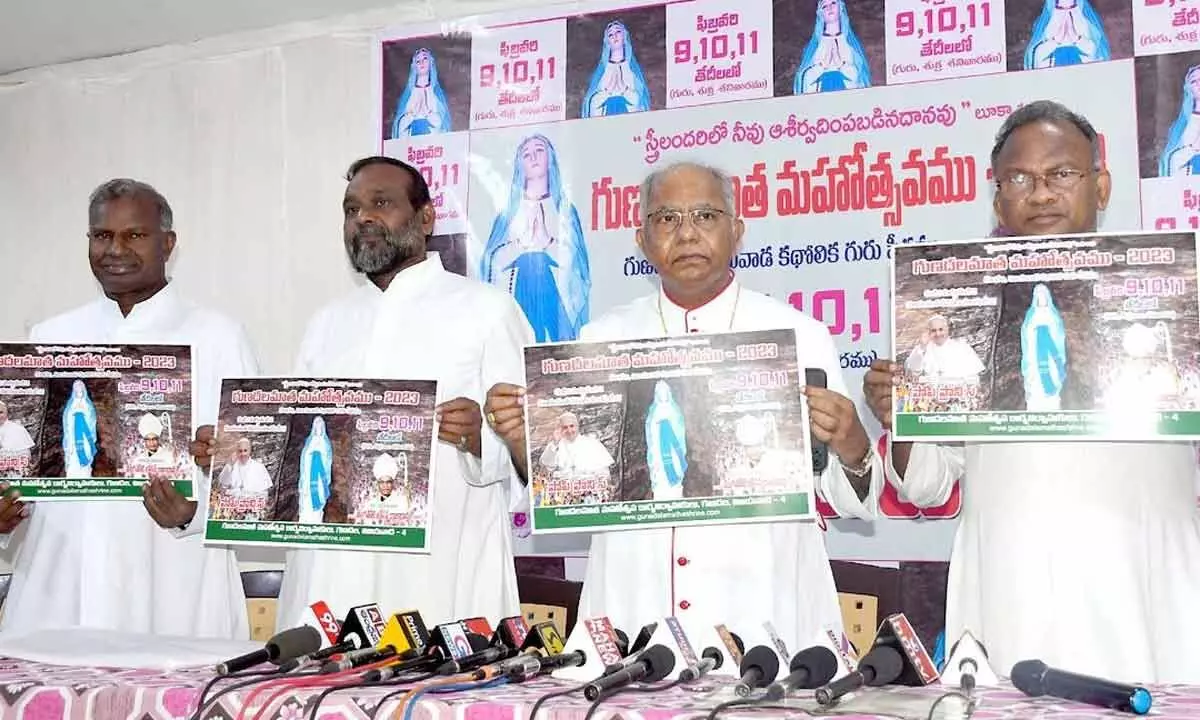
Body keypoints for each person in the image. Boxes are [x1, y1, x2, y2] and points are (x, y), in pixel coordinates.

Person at [863, 100, 1200, 683]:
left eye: (1062, 174)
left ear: (1101, 184)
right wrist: (902, 421)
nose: (1041, 193)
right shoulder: (960, 304)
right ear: (997, 198)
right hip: (1011, 585)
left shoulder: (1168, 291)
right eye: (1019, 178)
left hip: (1142, 584)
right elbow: (929, 482)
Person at [486, 161, 881, 651]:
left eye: (706, 216)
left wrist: (852, 445)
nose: (687, 233)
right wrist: (525, 444)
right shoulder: (601, 340)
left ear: (737, 231)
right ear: (643, 239)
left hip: (762, 607)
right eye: (667, 219)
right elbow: (574, 499)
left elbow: (848, 500)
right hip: (634, 604)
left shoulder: (800, 335)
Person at [277, 156, 531, 628]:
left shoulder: (488, 311)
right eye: (351, 209)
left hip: (437, 572)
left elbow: (535, 457)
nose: (363, 219)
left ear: (426, 217)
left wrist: (480, 439)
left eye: (381, 204)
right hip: (329, 573)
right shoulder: (325, 324)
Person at [0, 178, 257, 638]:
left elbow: (252, 489)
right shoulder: (47, 340)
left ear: (168, 243)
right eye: (102, 236)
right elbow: (22, 473)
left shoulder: (217, 337)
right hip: (59, 587)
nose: (115, 249)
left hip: (174, 583)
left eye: (134, 235)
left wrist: (191, 514)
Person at [479, 134, 590, 342]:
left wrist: (547, 243)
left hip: (556, 304)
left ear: (551, 159)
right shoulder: (508, 215)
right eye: (526, 154)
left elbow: (578, 266)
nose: (533, 158)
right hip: (517, 298)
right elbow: (491, 263)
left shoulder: (564, 210)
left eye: (539, 150)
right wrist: (519, 246)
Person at [793, 0, 871, 94]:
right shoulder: (816, 47)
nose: (829, 8)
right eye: (824, 6)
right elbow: (803, 78)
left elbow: (861, 77)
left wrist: (841, 65)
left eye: (833, 3)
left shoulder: (849, 45)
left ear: (841, 7)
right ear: (820, 13)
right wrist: (821, 67)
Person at [581, 20, 652, 117]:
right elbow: (592, 103)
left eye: (618, 32)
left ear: (625, 36)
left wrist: (625, 90)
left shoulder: (631, 70)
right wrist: (607, 92)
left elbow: (640, 102)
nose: (615, 36)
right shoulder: (603, 72)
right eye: (610, 35)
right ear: (607, 42)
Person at [1023, 0, 1111, 70]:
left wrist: (1077, 39)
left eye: (1072, 7)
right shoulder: (1043, 43)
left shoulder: (1087, 33)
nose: (1066, 14)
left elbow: (1097, 59)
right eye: (1061, 8)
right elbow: (1036, 62)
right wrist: (1055, 41)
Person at [390, 48, 452, 138]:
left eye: (425, 59)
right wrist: (410, 116)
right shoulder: (409, 95)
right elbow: (399, 127)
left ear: (431, 62)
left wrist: (429, 115)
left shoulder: (436, 93)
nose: (422, 63)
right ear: (414, 66)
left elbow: (444, 124)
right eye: (418, 61)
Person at [903, 315, 985, 382]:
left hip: (957, 394)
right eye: (933, 330)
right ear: (929, 332)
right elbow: (912, 371)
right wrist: (922, 347)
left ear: (947, 330)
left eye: (941, 329)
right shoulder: (922, 348)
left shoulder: (962, 347)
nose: (938, 334)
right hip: (930, 396)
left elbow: (974, 377)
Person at [1159, 65, 1200, 176]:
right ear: (1188, 88)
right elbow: (1172, 159)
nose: (1198, 84)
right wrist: (1193, 148)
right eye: (1193, 81)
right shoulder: (1182, 124)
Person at [297, 415, 333, 523]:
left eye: (320, 424)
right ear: (313, 426)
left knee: (319, 498)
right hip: (309, 476)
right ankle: (305, 521)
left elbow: (328, 460)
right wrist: (312, 455)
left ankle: (316, 521)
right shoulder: (309, 441)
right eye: (316, 424)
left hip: (320, 477)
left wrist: (318, 456)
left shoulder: (325, 443)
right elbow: (304, 458)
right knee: (307, 499)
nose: (318, 426)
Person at [62, 379, 99, 477]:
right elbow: (66, 421)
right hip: (73, 436)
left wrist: (82, 417)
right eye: (76, 389)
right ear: (74, 390)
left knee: (86, 454)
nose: (79, 391)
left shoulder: (88, 405)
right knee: (73, 457)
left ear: (84, 389)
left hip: (85, 436)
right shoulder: (70, 405)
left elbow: (92, 421)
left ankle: (85, 476)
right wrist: (75, 417)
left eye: (80, 388)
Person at [0, 400, 35, 476]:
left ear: (6, 413)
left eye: (1, 412)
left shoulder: (18, 429)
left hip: (11, 476)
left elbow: (25, 459)